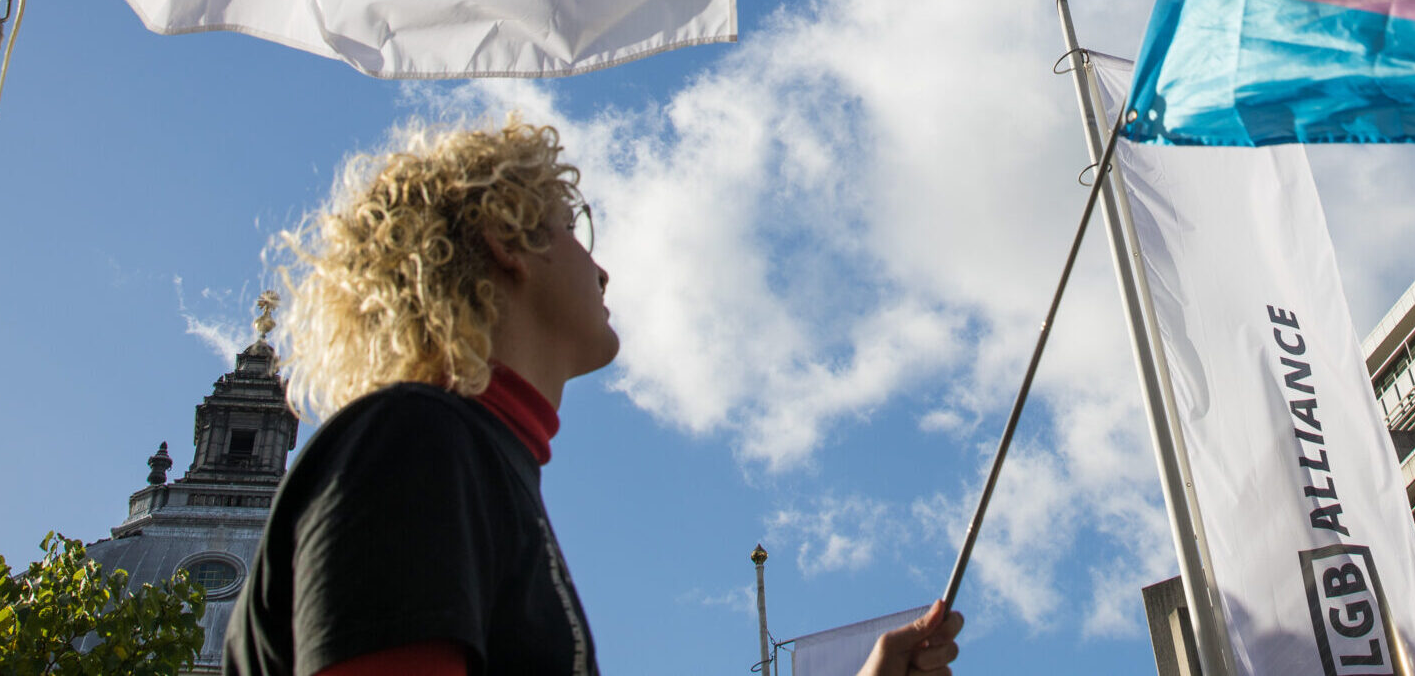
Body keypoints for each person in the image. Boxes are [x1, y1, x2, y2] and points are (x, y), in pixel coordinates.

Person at [224, 118, 964, 676]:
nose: (601, 269)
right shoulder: (416, 443)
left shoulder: (470, 461)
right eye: (574, 230)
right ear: (507, 243)